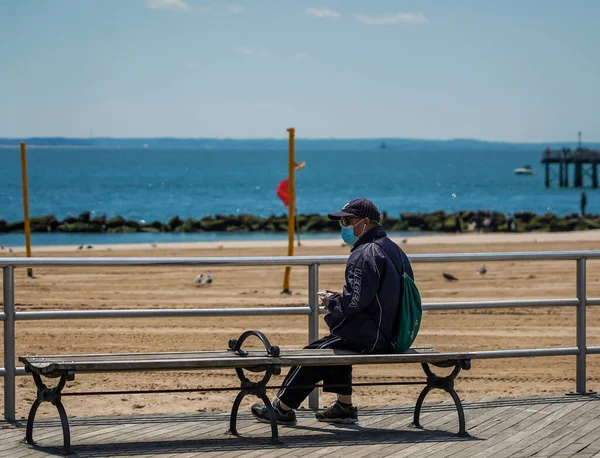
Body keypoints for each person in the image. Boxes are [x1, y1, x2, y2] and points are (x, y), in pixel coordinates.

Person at [251, 198, 414, 425]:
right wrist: (341, 299)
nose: (343, 226)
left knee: (315, 355)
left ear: (365, 222)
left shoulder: (365, 253)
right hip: (394, 332)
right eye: (341, 221)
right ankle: (344, 406)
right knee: (334, 345)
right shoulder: (393, 249)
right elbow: (371, 295)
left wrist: (331, 301)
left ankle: (281, 408)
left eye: (347, 220)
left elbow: (354, 303)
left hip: (374, 336)